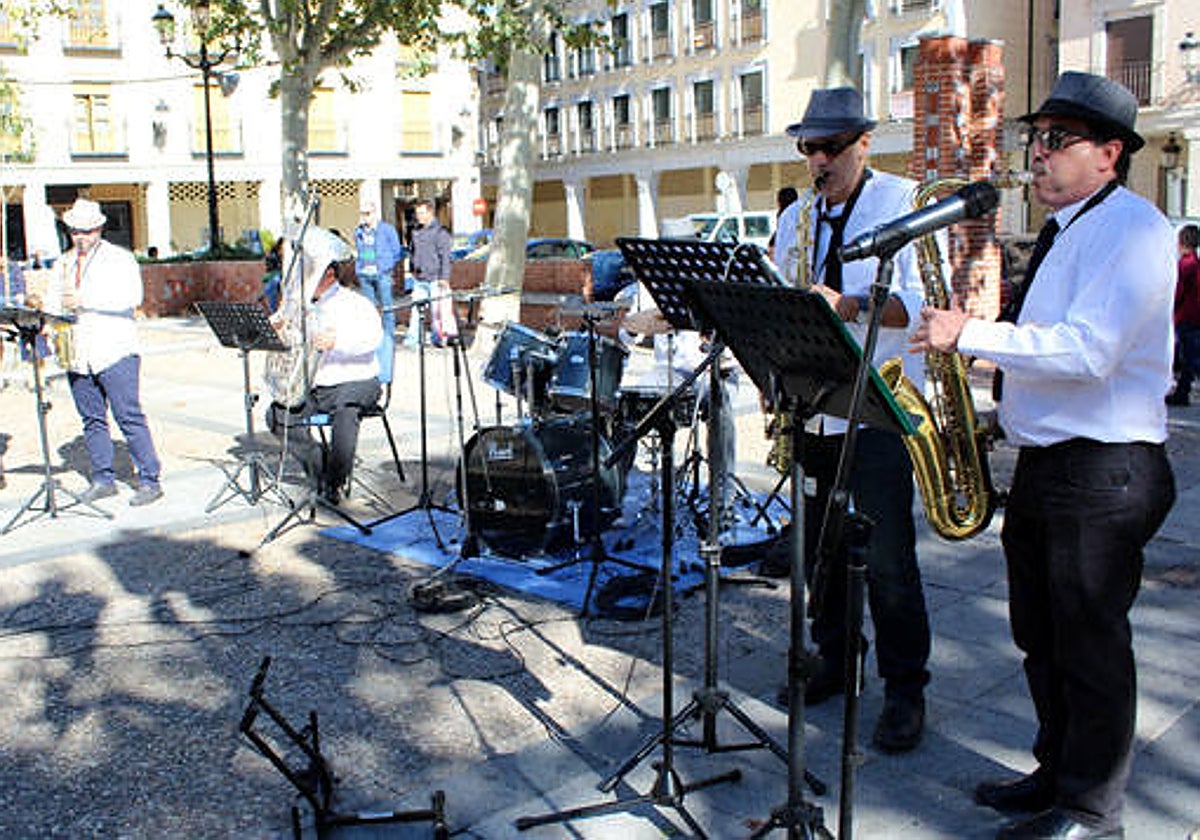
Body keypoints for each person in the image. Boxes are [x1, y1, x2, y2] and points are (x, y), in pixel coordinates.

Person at [912, 72, 1176, 840]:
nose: (1037, 153)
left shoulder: (1134, 230)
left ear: (1110, 153)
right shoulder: (1068, 230)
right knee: (1040, 634)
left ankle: (1093, 812)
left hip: (1104, 469)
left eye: (1057, 140)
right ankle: (1056, 773)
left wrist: (973, 335)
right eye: (1036, 137)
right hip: (1051, 465)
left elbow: (1091, 353)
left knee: (1091, 646)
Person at [771, 87, 930, 753]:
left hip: (879, 408)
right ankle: (836, 659)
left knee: (888, 557)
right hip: (815, 407)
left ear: (864, 143)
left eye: (831, 146)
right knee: (820, 551)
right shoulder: (796, 218)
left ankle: (904, 688)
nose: (818, 159)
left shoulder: (902, 203)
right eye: (809, 147)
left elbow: (918, 309)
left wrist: (850, 304)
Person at [45, 198, 163, 507]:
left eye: (86, 231)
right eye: (74, 232)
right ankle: (103, 477)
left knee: (129, 416)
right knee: (92, 419)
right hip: (79, 351)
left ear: (98, 228)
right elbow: (53, 300)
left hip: (115, 349)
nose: (80, 238)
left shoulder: (119, 259)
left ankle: (149, 479)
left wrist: (85, 299)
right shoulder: (64, 262)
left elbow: (131, 296)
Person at [268, 230, 383, 505]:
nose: (301, 280)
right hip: (317, 385)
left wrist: (338, 341)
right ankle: (320, 465)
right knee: (276, 415)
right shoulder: (300, 305)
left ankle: (336, 482)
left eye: (309, 273)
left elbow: (373, 338)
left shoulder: (356, 303)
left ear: (329, 274)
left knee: (346, 409)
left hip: (356, 380)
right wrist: (278, 332)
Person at [406, 199, 456, 347]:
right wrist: (412, 270)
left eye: (422, 213)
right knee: (416, 311)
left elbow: (446, 257)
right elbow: (412, 252)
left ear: (430, 213)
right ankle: (413, 340)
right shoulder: (416, 231)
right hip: (419, 278)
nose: (419, 216)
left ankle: (438, 338)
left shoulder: (441, 232)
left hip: (435, 278)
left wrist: (444, 278)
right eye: (417, 213)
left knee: (437, 312)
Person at [1167, 223, 1200, 406]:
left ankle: (1181, 392)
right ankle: (1182, 390)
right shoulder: (1195, 263)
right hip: (1194, 316)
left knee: (1185, 357)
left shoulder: (1185, 266)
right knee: (1189, 357)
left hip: (1185, 317)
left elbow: (1177, 292)